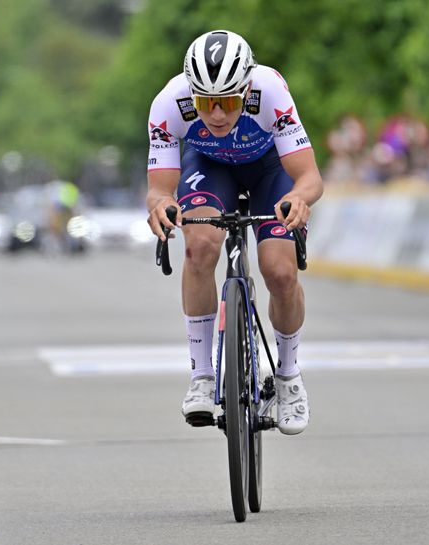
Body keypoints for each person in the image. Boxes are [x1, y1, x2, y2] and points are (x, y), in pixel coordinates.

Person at [146, 30, 323, 435]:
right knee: (201, 247)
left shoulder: (271, 91)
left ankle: (288, 377)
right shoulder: (169, 103)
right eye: (206, 103)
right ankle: (203, 376)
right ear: (192, 96)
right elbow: (159, 189)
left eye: (228, 102)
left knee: (279, 271)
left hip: (270, 171)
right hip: (210, 168)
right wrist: (160, 205)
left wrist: (299, 198)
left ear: (246, 89)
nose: (217, 115)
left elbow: (309, 177)